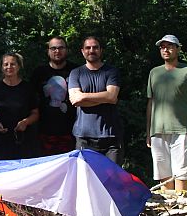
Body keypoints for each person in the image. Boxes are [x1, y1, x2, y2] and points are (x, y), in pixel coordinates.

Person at [146, 34, 187, 191]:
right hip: (157, 131)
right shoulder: (154, 73)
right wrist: (148, 132)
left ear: (177, 49)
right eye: (163, 47)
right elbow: (150, 103)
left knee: (182, 174)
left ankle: (183, 210)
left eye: (170, 46)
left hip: (181, 131)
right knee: (163, 176)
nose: (166, 49)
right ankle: (169, 213)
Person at [68, 35, 124, 165]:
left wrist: (84, 96)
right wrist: (105, 97)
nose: (91, 50)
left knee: (112, 181)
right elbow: (75, 101)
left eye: (95, 47)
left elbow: (112, 96)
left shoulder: (111, 72)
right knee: (86, 180)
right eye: (88, 48)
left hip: (111, 137)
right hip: (84, 137)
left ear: (101, 50)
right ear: (82, 51)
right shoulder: (76, 73)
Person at [0, 53, 40, 159]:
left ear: (19, 66)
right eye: (6, 64)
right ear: (1, 67)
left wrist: (25, 122)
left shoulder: (27, 88)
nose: (9, 67)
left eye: (13, 64)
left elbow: (35, 114)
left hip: (23, 140)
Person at [30, 36, 78, 155]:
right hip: (44, 133)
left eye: (61, 47)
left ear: (66, 50)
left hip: (71, 132)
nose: (57, 51)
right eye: (53, 48)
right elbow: (30, 101)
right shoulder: (39, 73)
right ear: (48, 51)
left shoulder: (76, 71)